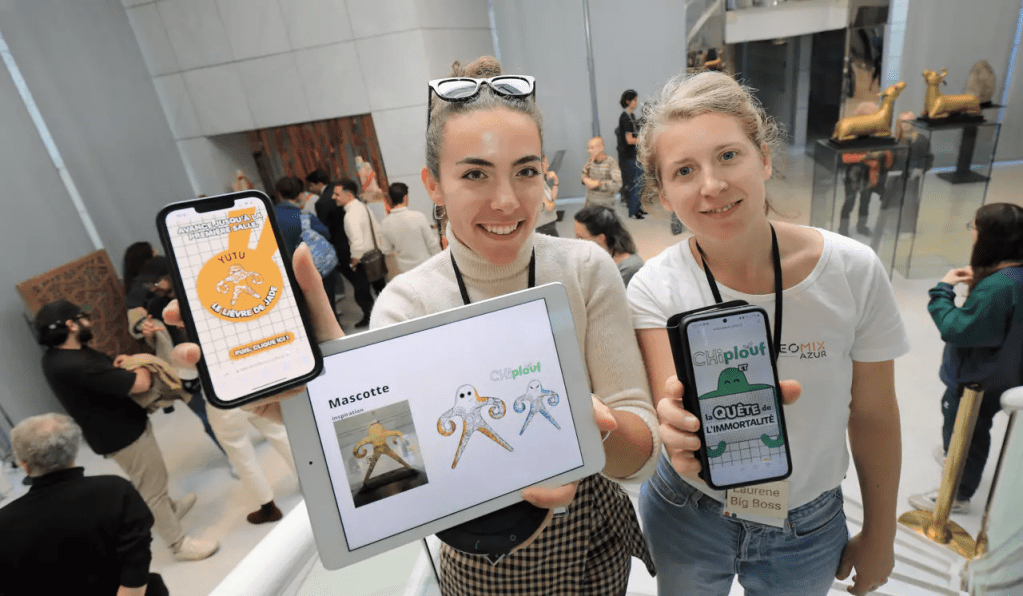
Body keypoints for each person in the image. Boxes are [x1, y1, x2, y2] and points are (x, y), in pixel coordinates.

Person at [370, 56, 659, 595]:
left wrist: (591, 430)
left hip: (594, 546)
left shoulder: (584, 269)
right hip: (481, 565)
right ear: (433, 184)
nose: (506, 201)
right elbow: (392, 485)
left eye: (525, 171)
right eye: (475, 173)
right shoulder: (406, 305)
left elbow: (641, 453)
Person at [627, 71, 909, 596]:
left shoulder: (852, 271)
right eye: (684, 170)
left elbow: (873, 413)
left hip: (807, 520)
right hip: (689, 511)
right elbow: (671, 406)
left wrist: (881, 532)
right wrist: (676, 429)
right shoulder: (653, 289)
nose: (711, 185)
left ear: (765, 158)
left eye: (728, 156)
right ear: (662, 193)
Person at [36, 299, 219, 561]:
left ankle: (170, 509)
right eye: (83, 317)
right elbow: (140, 384)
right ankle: (179, 545)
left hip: (119, 427)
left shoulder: (58, 357)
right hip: (122, 435)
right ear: (70, 325)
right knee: (152, 488)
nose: (89, 321)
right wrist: (139, 360)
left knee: (155, 477)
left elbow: (103, 369)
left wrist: (119, 363)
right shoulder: (74, 364)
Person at [909, 203, 1023, 514]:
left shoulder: (997, 289)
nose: (971, 232)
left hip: (978, 379)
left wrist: (944, 289)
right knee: (975, 429)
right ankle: (959, 462)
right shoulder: (1011, 279)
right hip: (1010, 371)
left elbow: (956, 329)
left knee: (965, 431)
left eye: (974, 227)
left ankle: (956, 492)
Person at [0, 414, 168, 596]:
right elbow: (136, 568)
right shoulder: (115, 491)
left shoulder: (5, 523)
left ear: (24, 465)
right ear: (74, 450)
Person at [274, 175, 337, 306]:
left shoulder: (268, 218)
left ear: (279, 194)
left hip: (283, 275)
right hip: (312, 270)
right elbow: (325, 235)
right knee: (325, 306)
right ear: (300, 195)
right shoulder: (305, 217)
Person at [334, 177, 384, 327]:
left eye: (337, 194)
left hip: (362, 259)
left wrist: (354, 261)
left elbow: (357, 242)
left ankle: (371, 317)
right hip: (374, 255)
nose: (333, 197)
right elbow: (377, 229)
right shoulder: (363, 207)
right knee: (380, 287)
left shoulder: (350, 215)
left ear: (349, 194)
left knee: (361, 294)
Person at [573, 205, 644, 287]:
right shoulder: (598, 255)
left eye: (581, 238)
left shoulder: (629, 268)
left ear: (600, 238)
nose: (577, 243)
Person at [379, 182, 441, 274]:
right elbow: (432, 244)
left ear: (390, 200)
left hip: (405, 271)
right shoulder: (418, 216)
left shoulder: (385, 223)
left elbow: (386, 250)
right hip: (426, 266)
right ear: (405, 198)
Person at [617, 89, 646, 219]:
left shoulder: (632, 117)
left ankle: (638, 208)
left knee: (639, 182)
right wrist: (645, 140)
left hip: (634, 155)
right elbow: (629, 140)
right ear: (628, 101)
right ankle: (633, 212)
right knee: (635, 183)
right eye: (634, 100)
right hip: (628, 157)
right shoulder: (625, 118)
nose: (636, 102)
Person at [580, 136, 624, 212]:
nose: (589, 151)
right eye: (588, 148)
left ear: (601, 148)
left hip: (605, 206)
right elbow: (584, 173)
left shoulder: (611, 163)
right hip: (590, 204)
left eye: (592, 148)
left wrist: (598, 184)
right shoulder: (590, 161)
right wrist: (584, 179)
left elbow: (618, 184)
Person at [534, 154, 559, 236]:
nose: (548, 166)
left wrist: (556, 181)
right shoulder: (535, 184)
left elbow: (553, 197)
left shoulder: (542, 181)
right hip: (543, 227)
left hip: (550, 223)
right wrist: (552, 203)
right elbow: (549, 207)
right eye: (546, 163)